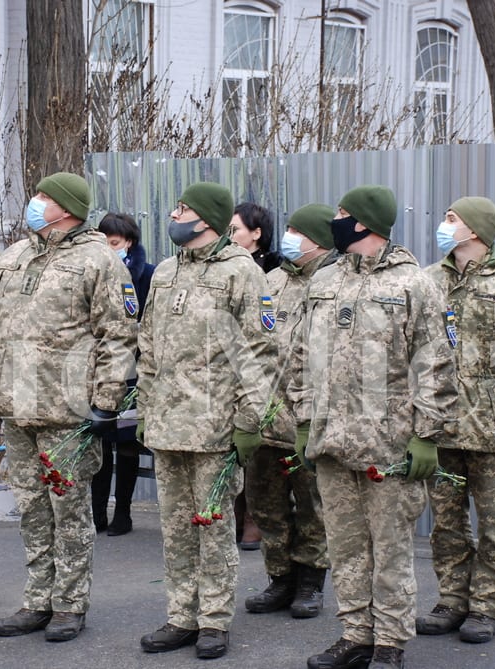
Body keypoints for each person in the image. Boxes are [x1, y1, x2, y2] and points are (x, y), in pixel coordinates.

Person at [290, 185, 459, 669]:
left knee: (389, 549)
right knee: (344, 547)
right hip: (330, 439)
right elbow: (301, 357)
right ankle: (356, 633)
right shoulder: (325, 280)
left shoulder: (415, 284)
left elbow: (437, 365)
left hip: (389, 442)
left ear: (365, 222)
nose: (336, 221)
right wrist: (304, 422)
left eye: (343, 214)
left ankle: (389, 641)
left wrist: (426, 436)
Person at [0, 172, 138, 642]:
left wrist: (106, 402)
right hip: (15, 405)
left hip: (67, 412)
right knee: (30, 508)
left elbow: (118, 335)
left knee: (68, 512)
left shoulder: (99, 260)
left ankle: (69, 604)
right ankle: (36, 600)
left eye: (44, 197)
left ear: (65, 208)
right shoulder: (16, 254)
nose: (34, 202)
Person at [137, 182, 277, 660]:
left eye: (183, 209)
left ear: (208, 219)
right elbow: (149, 346)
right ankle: (181, 616)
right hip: (168, 426)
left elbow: (259, 354)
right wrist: (147, 406)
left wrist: (248, 421)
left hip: (215, 427)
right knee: (175, 528)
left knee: (213, 527)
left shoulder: (241, 272)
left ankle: (214, 620)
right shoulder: (165, 271)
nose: (174, 214)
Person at [418, 197, 495, 644]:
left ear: (478, 229)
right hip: (441, 426)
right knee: (445, 522)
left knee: (494, 525)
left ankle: (486, 607)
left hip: (490, 430)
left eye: (452, 219)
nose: (444, 226)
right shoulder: (428, 280)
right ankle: (451, 599)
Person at [244, 203, 335, 619]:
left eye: (299, 230)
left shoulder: (334, 284)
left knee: (313, 506)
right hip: (266, 418)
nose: (290, 236)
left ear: (319, 240)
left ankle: (311, 582)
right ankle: (279, 579)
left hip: (310, 420)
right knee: (267, 505)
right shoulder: (271, 280)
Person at [91, 212, 155, 536]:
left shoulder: (147, 276)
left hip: (132, 376)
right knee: (99, 438)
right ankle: (97, 511)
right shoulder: (95, 272)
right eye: (103, 241)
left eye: (113, 243)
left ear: (128, 242)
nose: (107, 248)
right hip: (101, 372)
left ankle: (124, 512)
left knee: (127, 442)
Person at [229, 201, 279, 549]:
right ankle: (231, 512)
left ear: (257, 234)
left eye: (235, 230)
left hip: (258, 368)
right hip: (225, 367)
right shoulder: (226, 268)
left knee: (257, 451)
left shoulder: (273, 271)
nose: (229, 236)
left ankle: (252, 517)